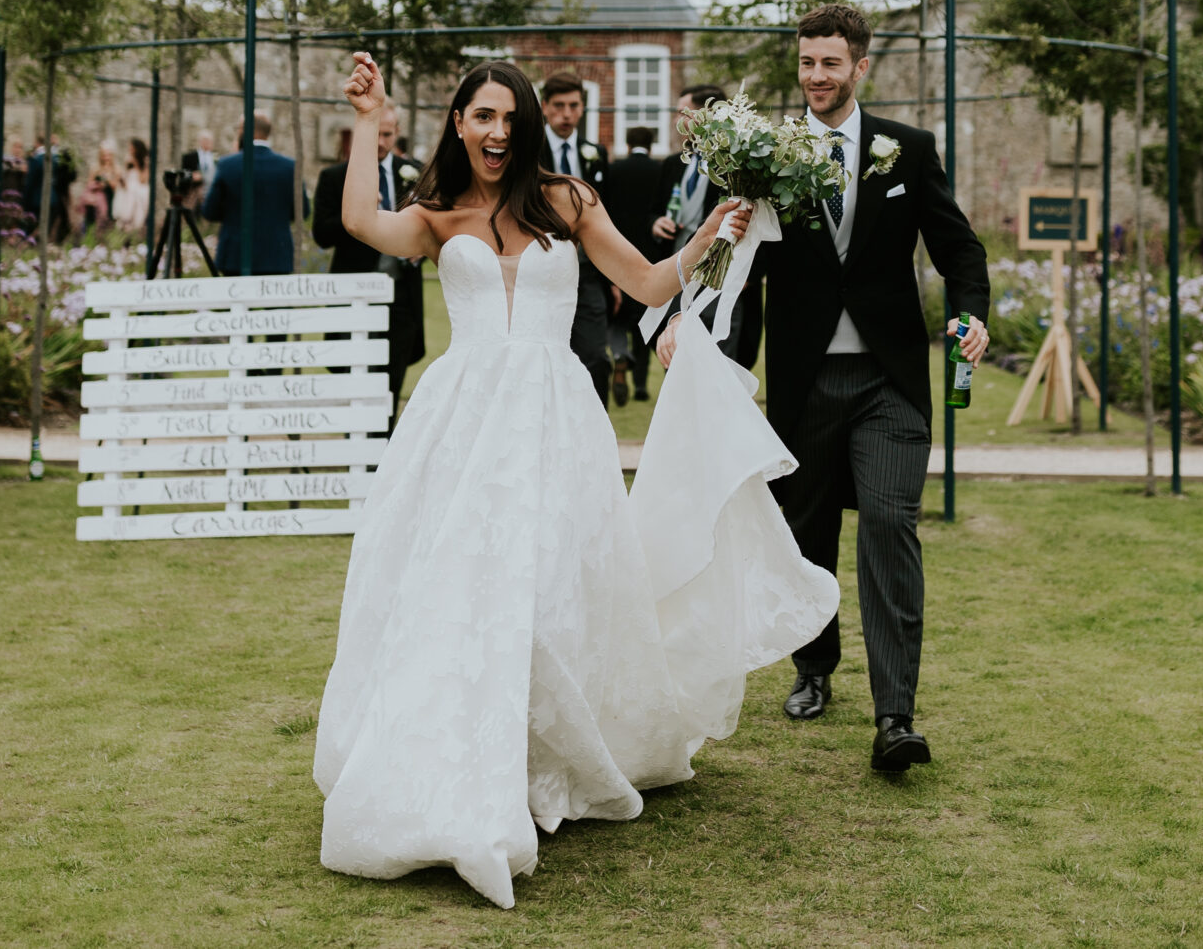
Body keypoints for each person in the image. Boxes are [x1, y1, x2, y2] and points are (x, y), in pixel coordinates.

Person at [315, 54, 836, 909]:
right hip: (460, 423)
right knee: (457, 583)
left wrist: (713, 236)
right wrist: (371, 115)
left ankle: (542, 753)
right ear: (458, 123)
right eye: (482, 117)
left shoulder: (568, 200)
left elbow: (646, 282)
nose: (496, 133)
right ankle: (462, 748)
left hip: (555, 420)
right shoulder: (439, 212)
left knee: (552, 585)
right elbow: (360, 221)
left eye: (510, 120)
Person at [659, 2, 989, 774]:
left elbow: (957, 245)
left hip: (890, 381)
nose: (816, 77)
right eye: (806, 62)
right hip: (806, 382)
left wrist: (970, 312)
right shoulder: (766, 153)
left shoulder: (907, 151)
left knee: (886, 521)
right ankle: (815, 667)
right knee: (805, 533)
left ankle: (895, 714)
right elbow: (732, 254)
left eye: (830, 63)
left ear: (860, 65)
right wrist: (690, 319)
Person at [311, 103, 425, 410]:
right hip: (354, 296)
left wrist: (421, 249)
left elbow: (434, 224)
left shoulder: (415, 173)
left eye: (386, 134)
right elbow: (321, 233)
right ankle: (354, 452)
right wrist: (357, 213)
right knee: (353, 380)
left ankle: (385, 453)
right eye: (374, 133)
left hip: (401, 297)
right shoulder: (335, 177)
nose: (379, 141)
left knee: (391, 381)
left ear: (396, 133)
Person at [653, 82, 761, 369]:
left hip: (721, 281)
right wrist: (657, 223)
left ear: (707, 116)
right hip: (678, 277)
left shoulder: (737, 164)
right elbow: (653, 210)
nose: (677, 121)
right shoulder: (672, 165)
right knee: (676, 362)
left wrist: (746, 276)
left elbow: (759, 220)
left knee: (719, 365)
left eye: (682, 113)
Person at [537, 72, 613, 407]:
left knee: (596, 356)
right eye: (559, 106)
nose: (566, 113)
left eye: (574, 105)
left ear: (582, 108)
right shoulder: (529, 153)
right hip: (540, 272)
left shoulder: (595, 152)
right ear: (544, 107)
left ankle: (595, 436)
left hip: (589, 274)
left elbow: (607, 219)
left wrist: (613, 278)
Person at [601, 124, 677, 401]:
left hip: (616, 253)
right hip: (651, 255)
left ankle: (620, 356)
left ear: (628, 143)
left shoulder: (613, 170)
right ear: (652, 144)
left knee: (618, 318)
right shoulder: (660, 171)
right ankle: (642, 386)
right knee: (645, 323)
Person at [202, 114, 295, 274]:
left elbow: (210, 211)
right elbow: (301, 211)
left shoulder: (227, 165)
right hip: (276, 256)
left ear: (243, 130)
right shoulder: (289, 167)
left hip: (235, 256)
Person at [113, 138, 152, 234]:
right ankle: (124, 221)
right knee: (125, 191)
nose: (130, 150)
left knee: (134, 192)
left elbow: (143, 180)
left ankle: (131, 223)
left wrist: (137, 165)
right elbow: (125, 178)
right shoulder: (128, 160)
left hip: (140, 187)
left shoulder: (145, 161)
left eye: (132, 148)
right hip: (128, 186)